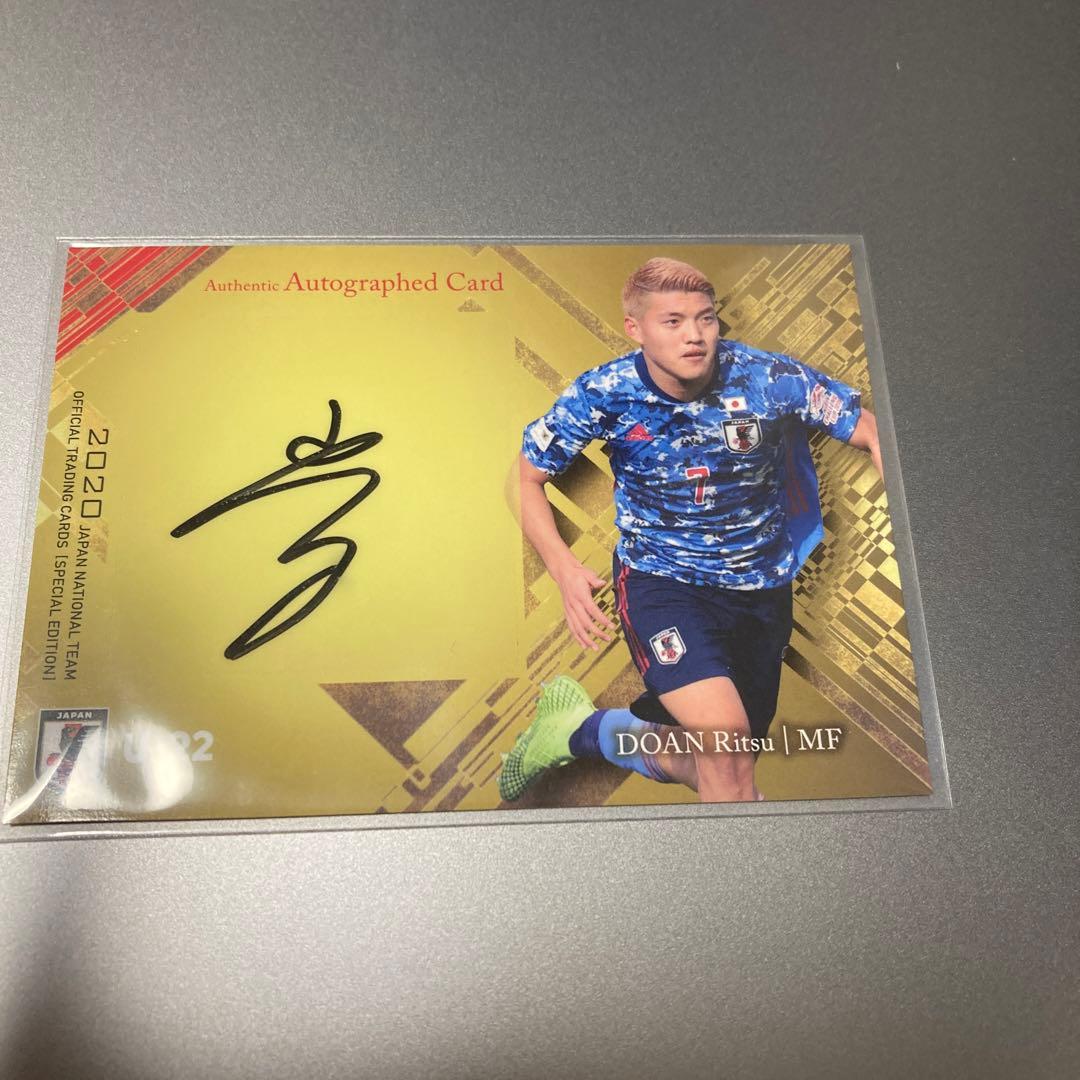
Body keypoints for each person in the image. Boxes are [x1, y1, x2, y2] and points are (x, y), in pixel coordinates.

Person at [497, 256, 882, 804]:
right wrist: (563, 569)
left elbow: (868, 430)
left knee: (720, 769)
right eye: (673, 321)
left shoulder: (767, 377)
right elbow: (525, 477)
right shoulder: (603, 393)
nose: (695, 335)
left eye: (705, 318)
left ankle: (581, 730)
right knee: (727, 753)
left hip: (760, 591)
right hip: (662, 582)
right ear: (636, 328)